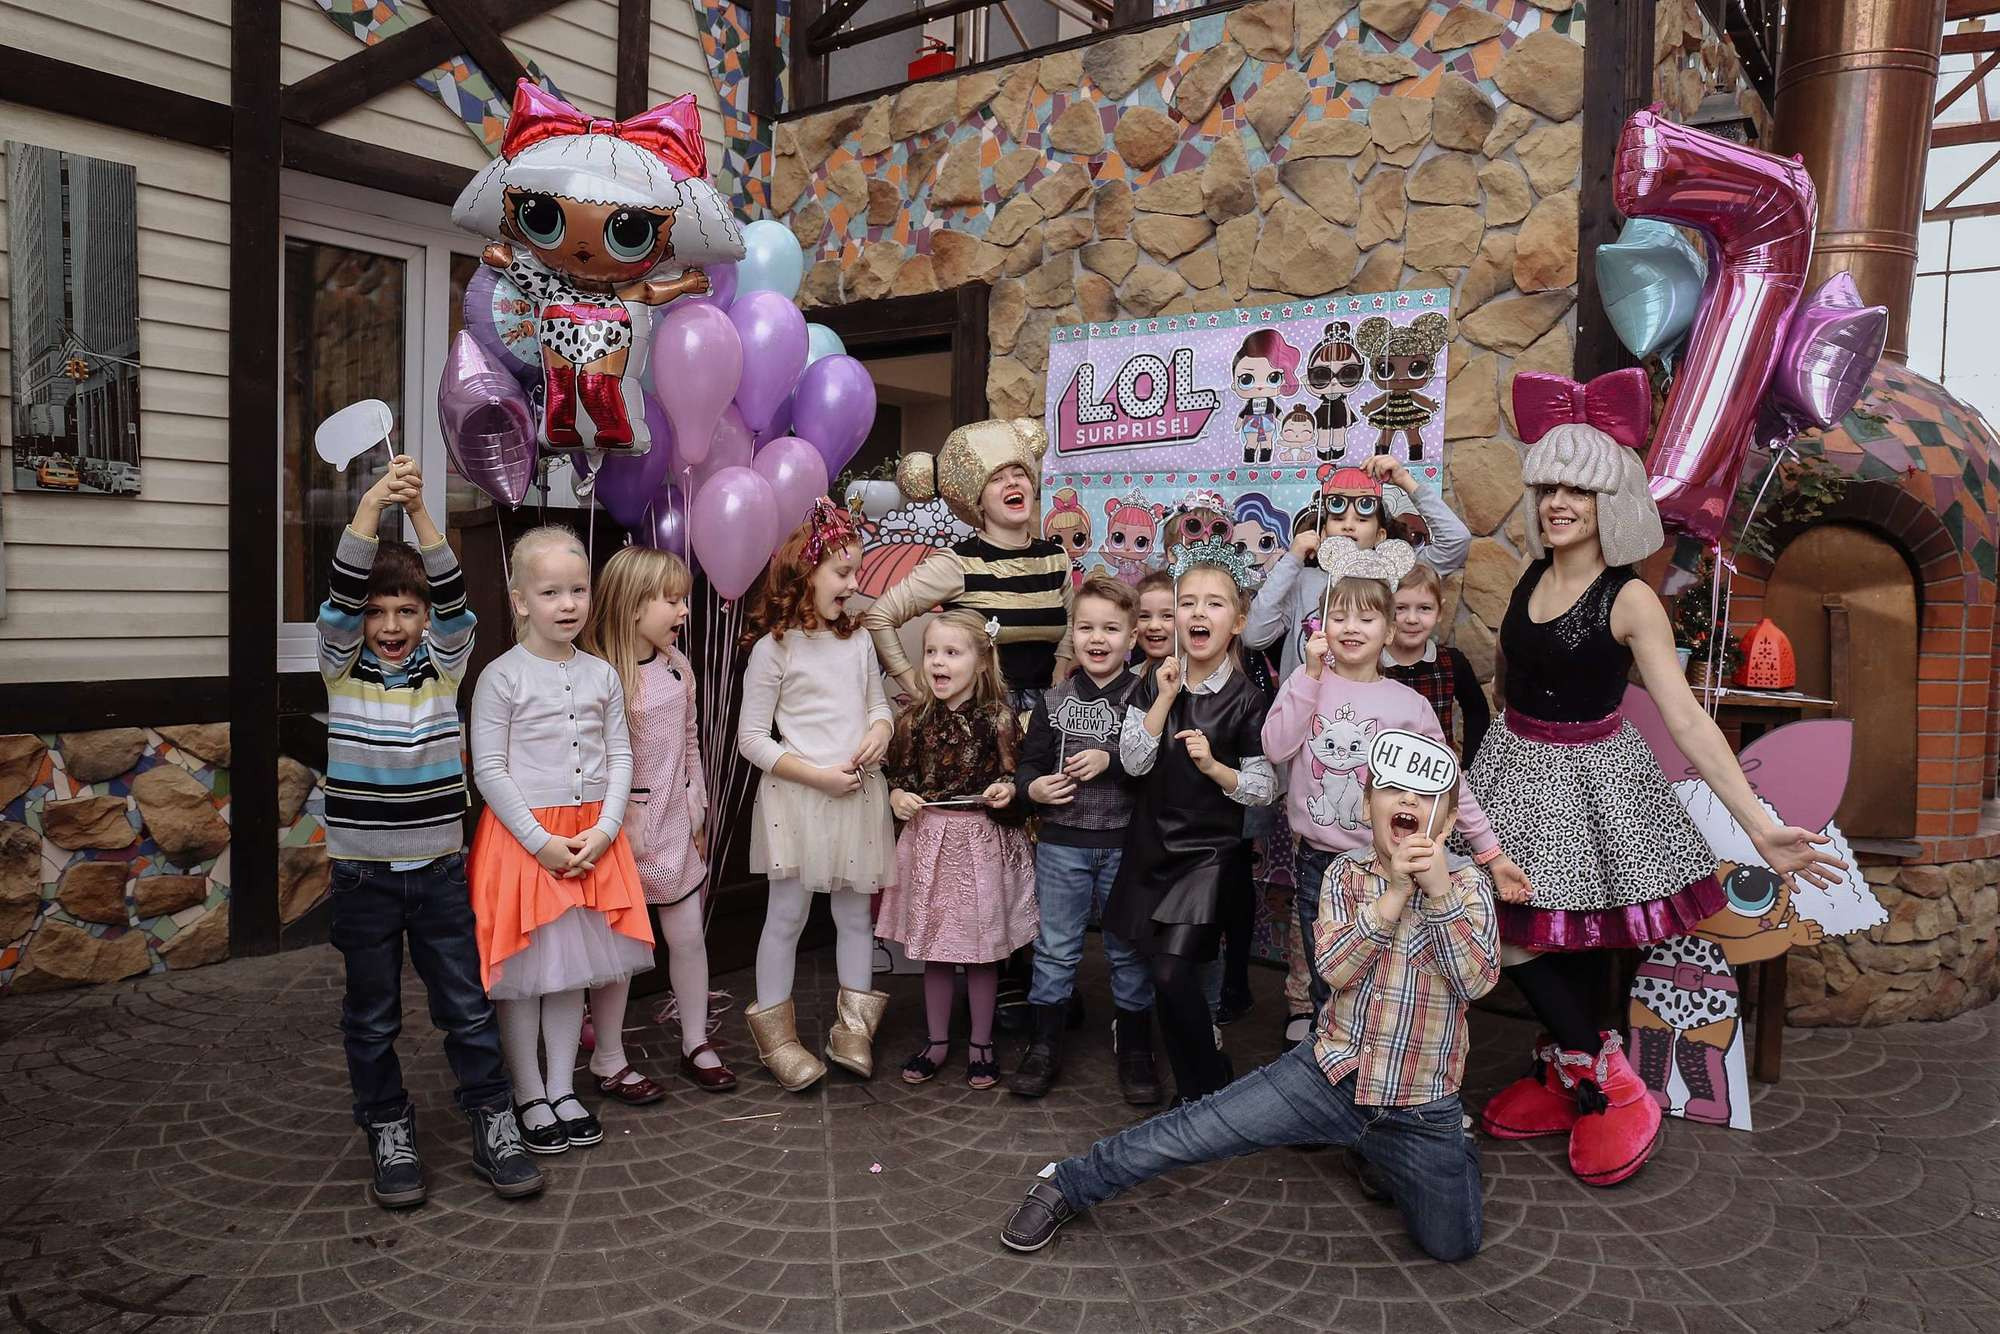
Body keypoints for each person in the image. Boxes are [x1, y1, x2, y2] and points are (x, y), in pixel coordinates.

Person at [1472, 370, 1846, 1186]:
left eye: (1578, 487)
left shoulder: (1630, 598)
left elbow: (1685, 719)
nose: (1558, 502)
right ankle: (1569, 1068)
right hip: (1514, 769)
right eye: (1547, 486)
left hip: (1590, 782)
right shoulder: (1531, 577)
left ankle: (1610, 1082)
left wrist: (1757, 825)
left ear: (1614, 498)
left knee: (1529, 935)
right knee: (1524, 932)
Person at [1001, 754, 1498, 1263]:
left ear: (1450, 820)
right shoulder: (1346, 875)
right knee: (1198, 1128)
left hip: (1421, 1101)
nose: (1409, 801)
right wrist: (1395, 893)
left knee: (1451, 1245)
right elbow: (1335, 970)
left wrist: (1438, 895)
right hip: (1328, 1074)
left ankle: (1436, 1154)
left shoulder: (1468, 886)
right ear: (1368, 803)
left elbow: (1476, 983)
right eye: (1393, 790)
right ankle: (1069, 1181)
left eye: (1425, 795)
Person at [318, 456, 542, 1207]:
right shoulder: (341, 666)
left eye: (405, 612)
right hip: (362, 879)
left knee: (465, 1008)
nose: (390, 626)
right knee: (372, 1017)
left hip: (440, 871)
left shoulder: (443, 668)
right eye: (379, 612)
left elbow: (454, 595)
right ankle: (387, 1127)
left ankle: (492, 1117)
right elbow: (342, 594)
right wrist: (371, 503)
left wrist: (416, 514)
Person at [1263, 538, 1529, 1024]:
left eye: (1366, 618)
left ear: (1388, 631)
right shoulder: (1304, 684)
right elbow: (1276, 748)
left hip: (1389, 867)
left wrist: (1490, 853)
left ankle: (1378, 1083)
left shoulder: (1410, 707)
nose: (1350, 627)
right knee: (1330, 983)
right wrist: (1309, 674)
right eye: (1339, 616)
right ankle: (1334, 1081)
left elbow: (1449, 786)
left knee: (1381, 985)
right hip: (1318, 865)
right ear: (1322, 626)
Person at [470, 525, 653, 1156]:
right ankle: (527, 1091)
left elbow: (623, 754)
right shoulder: (501, 677)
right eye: (551, 592)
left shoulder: (601, 675)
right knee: (525, 969)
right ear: (520, 600)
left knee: (570, 967)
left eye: (578, 590)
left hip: (590, 838)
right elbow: (489, 768)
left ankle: (562, 1085)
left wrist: (605, 829)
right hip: (526, 842)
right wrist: (538, 840)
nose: (568, 604)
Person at [451, 81, 740, 451]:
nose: (586, 250)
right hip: (560, 326)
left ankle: (612, 426)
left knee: (599, 384)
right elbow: (533, 279)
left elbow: (649, 291)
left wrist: (683, 285)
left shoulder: (621, 291)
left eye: (632, 232)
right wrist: (507, 261)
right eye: (542, 218)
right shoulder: (556, 285)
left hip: (608, 331)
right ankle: (560, 427)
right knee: (560, 383)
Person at [1102, 539, 1275, 1107]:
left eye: (1215, 604)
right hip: (1151, 846)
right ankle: (1200, 1082)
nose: (1199, 613)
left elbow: (1263, 788)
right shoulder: (1154, 681)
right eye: (1189, 603)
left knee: (1175, 974)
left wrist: (1215, 766)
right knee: (1158, 974)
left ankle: (1207, 1087)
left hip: (1206, 856)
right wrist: (1163, 698)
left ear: (1238, 621)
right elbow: (1132, 761)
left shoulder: (1249, 701)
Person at [737, 500, 898, 1090]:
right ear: (806, 573)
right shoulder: (773, 648)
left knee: (856, 914)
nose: (855, 585)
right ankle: (776, 1039)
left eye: (856, 572)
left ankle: (852, 1029)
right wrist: (817, 775)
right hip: (799, 799)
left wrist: (880, 730)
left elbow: (875, 703)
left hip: (855, 797)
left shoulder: (856, 643)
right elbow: (751, 739)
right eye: (844, 572)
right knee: (787, 914)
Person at [582, 544, 735, 1094]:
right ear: (631, 606)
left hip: (675, 827)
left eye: (683, 600)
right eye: (670, 601)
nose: (682, 611)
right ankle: (609, 1055)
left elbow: (690, 741)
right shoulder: (599, 676)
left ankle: (696, 1039)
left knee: (689, 937)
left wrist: (699, 802)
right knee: (619, 953)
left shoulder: (677, 668)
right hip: (621, 836)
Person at [1011, 576, 1159, 1105]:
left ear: (1133, 636)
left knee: (1128, 950)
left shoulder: (1148, 695)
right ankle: (1043, 1045)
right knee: (1055, 950)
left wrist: (1111, 759)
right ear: (1071, 634)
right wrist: (1033, 787)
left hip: (1125, 845)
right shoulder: (1055, 700)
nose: (1098, 638)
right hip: (1062, 845)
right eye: (1086, 626)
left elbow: (1159, 765)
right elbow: (1028, 764)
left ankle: (1137, 1050)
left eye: (1111, 628)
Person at [877, 612, 1039, 1089]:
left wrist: (1007, 791)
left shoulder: (1000, 719)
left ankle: (982, 1043)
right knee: (937, 951)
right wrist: (897, 797)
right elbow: (899, 777)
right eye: (931, 652)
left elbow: (1017, 778)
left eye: (952, 653)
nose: (938, 662)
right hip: (930, 842)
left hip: (982, 845)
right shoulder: (912, 719)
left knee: (982, 953)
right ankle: (937, 1041)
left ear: (981, 662)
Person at [861, 417, 1073, 708]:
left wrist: (1061, 669)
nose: (1011, 482)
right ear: (978, 500)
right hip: (982, 723)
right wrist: (919, 692)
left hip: (1046, 720)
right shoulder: (956, 564)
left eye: (1019, 473)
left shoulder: (1055, 559)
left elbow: (1073, 620)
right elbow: (879, 617)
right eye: (996, 478)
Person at [1244, 457, 1469, 681]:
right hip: (1305, 707)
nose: (1348, 525)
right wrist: (1293, 559)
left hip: (1365, 709)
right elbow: (1254, 636)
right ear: (1323, 532)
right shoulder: (1303, 580)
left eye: (1362, 519)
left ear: (1380, 535)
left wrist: (1405, 480)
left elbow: (1456, 541)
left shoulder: (1393, 573)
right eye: (1338, 518)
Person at [1384, 564, 1491, 764]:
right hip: (1380, 779)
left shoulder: (1452, 663)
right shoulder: (1372, 664)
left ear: (1440, 611)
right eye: (1400, 608)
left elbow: (1477, 712)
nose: (1412, 619)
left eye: (1424, 608)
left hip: (1435, 777)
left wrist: (1469, 764)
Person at [1131, 570, 1175, 673]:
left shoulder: (1195, 679)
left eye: (1167, 616)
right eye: (1144, 616)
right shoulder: (1130, 677)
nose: (1154, 626)